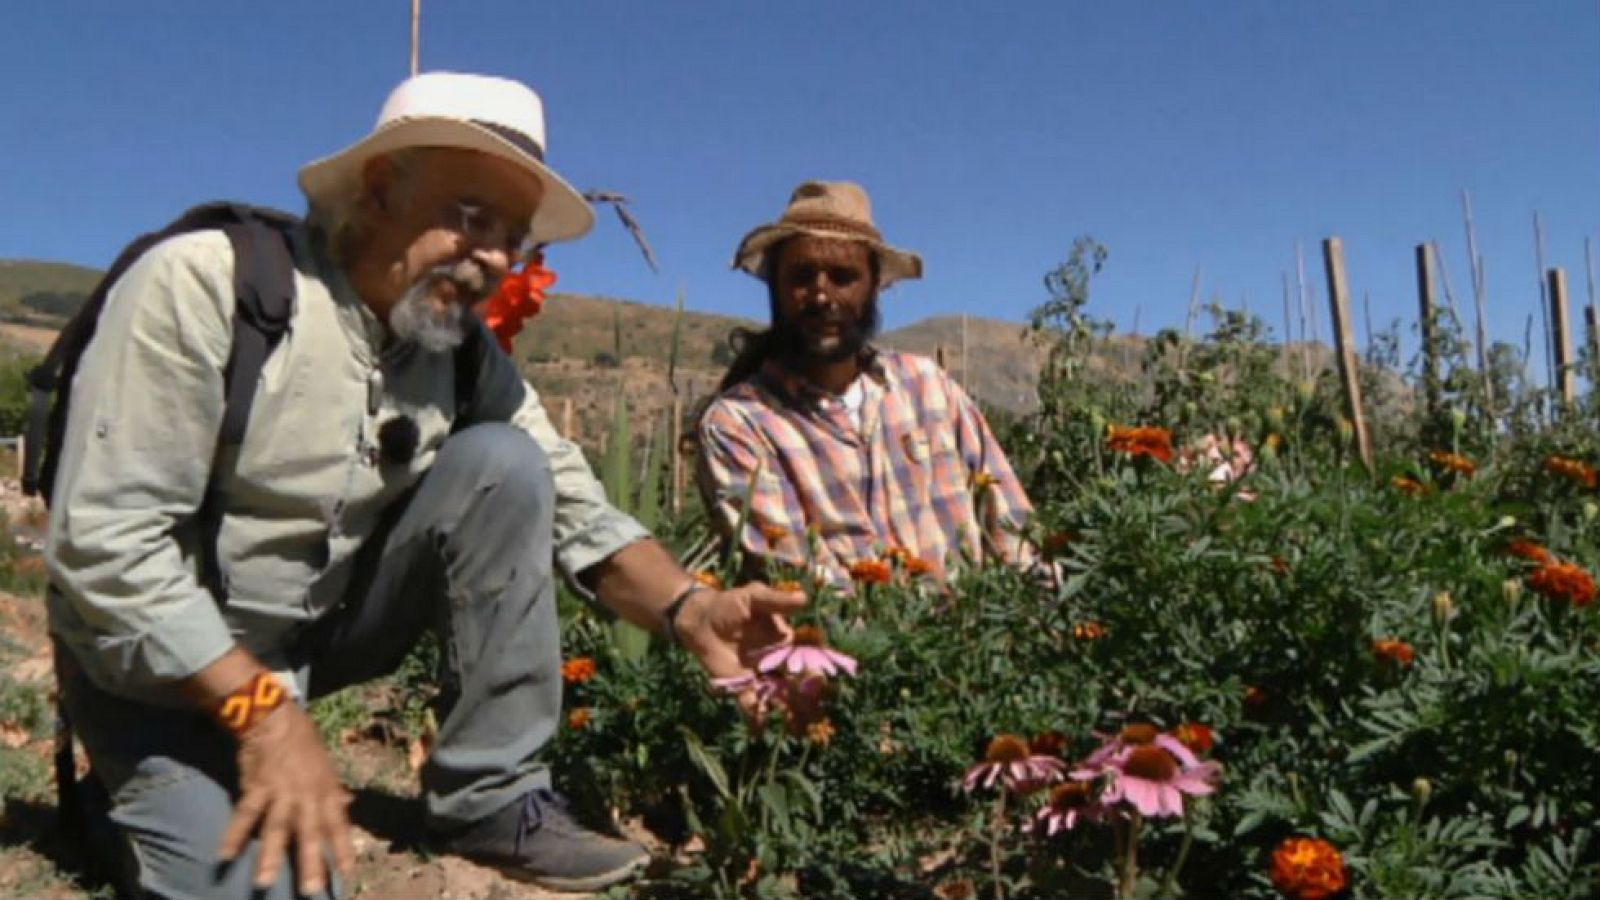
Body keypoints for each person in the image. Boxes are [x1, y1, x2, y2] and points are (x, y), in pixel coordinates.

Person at [45, 71, 803, 899]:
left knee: (504, 467)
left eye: (512, 238)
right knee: (281, 890)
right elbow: (106, 549)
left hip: (306, 646)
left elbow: (574, 506)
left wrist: (693, 611)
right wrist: (261, 712)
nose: (490, 260)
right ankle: (127, 801)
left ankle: (492, 802)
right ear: (378, 189)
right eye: (470, 217)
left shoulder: (461, 356)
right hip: (152, 673)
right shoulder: (210, 287)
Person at [695, 180, 1033, 587]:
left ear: (874, 286)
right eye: (802, 277)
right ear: (776, 287)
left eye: (842, 277)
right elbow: (798, 582)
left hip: (977, 642)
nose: (821, 296)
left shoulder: (926, 389)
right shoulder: (742, 424)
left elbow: (1012, 527)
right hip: (848, 648)